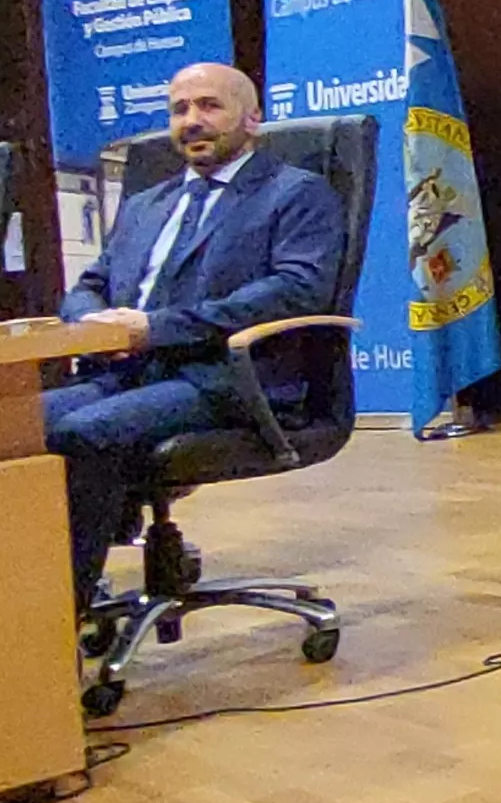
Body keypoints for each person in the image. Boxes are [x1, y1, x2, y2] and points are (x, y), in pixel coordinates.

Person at [48, 61, 345, 613]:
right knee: (13, 423)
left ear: (252, 119)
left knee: (83, 434)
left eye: (209, 106)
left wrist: (154, 330)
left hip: (228, 381)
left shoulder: (296, 194)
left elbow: (297, 291)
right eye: (179, 110)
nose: (191, 121)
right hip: (129, 372)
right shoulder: (146, 205)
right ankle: (4, 604)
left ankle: (59, 616)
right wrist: (94, 323)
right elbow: (91, 282)